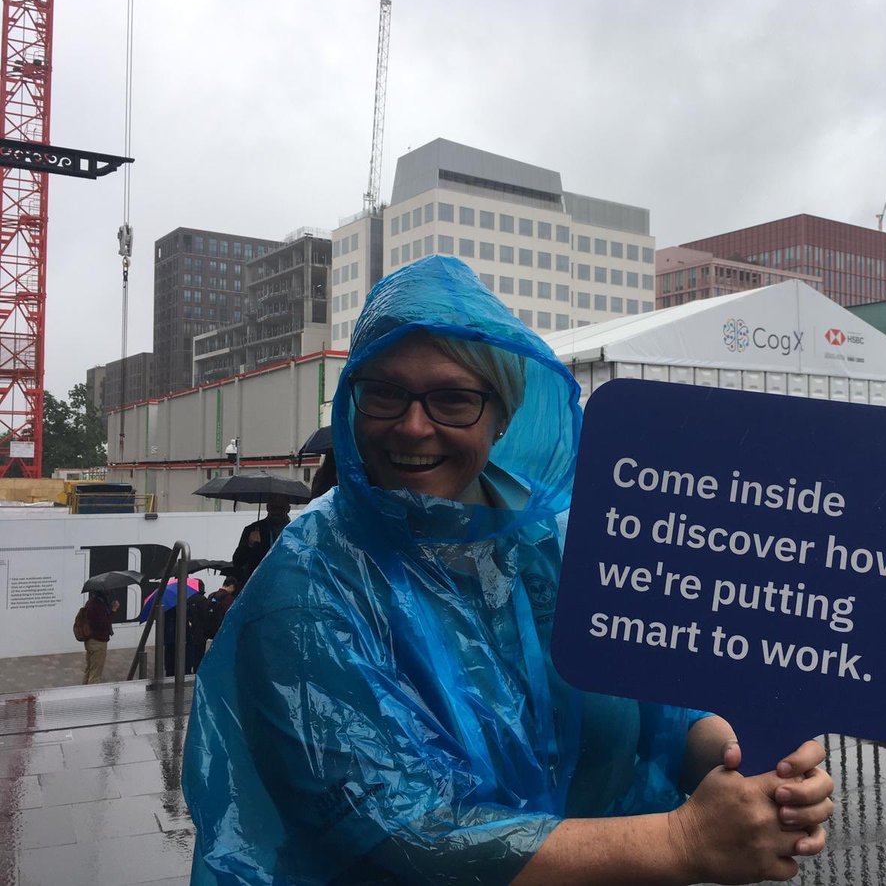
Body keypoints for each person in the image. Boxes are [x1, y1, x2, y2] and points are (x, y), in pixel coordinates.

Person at [183, 256, 833, 885]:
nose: (413, 425)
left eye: (452, 398)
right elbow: (404, 833)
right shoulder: (308, 587)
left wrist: (749, 767)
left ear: (501, 415)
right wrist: (683, 842)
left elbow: (660, 701)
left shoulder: (562, 540)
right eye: (384, 393)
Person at [231, 493, 292, 586]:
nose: (277, 512)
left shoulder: (294, 531)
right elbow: (237, 562)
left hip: (286, 585)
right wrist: (249, 545)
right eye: (273, 508)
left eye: (281, 508)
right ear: (267, 507)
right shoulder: (253, 529)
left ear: (288, 509)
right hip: (258, 585)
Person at [82, 590, 117, 684]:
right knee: (95, 675)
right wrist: (113, 610)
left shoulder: (90, 602)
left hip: (90, 641)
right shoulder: (98, 606)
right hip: (98, 642)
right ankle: (92, 692)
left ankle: (83, 690)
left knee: (89, 670)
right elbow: (104, 624)